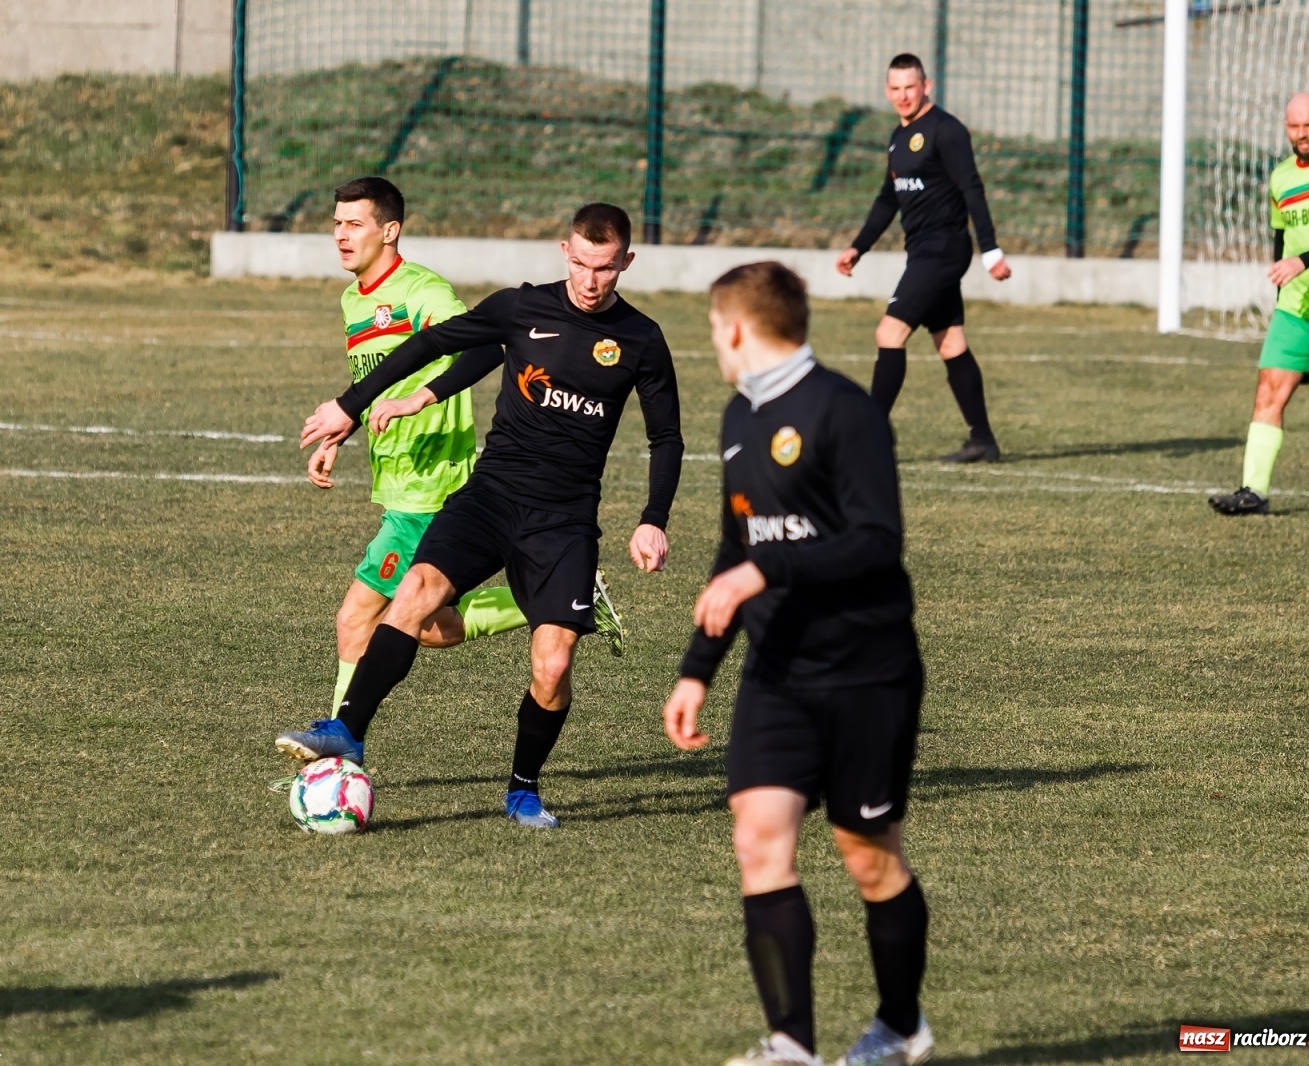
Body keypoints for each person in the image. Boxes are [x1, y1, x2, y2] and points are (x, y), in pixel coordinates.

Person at [280, 202, 684, 829]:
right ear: (565, 252)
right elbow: (433, 343)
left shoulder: (641, 339)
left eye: (604, 268)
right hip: (490, 496)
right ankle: (347, 731)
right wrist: (355, 405)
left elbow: (667, 438)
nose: (589, 280)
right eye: (580, 263)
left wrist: (653, 517)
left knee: (552, 666)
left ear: (626, 262)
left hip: (563, 521)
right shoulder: (522, 306)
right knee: (414, 591)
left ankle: (523, 789)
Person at [662, 262, 931, 1066]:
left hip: (866, 672)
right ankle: (791, 1046)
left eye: (714, 330)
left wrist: (766, 571)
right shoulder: (738, 417)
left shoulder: (844, 410)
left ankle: (900, 1026)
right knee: (759, 843)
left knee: (869, 858)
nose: (714, 344)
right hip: (776, 673)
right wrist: (697, 669)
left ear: (736, 328)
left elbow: (876, 540)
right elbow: (736, 547)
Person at [835, 52, 1011, 464]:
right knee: (950, 342)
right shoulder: (898, 137)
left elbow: (972, 188)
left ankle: (871, 439)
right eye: (895, 89)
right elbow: (887, 198)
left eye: (910, 87)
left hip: (943, 250)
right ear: (886, 91)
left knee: (889, 334)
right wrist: (859, 246)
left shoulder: (946, 131)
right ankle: (983, 440)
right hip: (924, 251)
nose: (903, 96)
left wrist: (991, 250)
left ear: (926, 86)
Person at [1210, 92, 1309, 515]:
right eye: (1295, 127)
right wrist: (1282, 290)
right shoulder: (1281, 177)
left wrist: (1302, 262)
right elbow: (1281, 239)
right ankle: (1253, 492)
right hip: (1296, 310)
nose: (1303, 134)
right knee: (1269, 388)